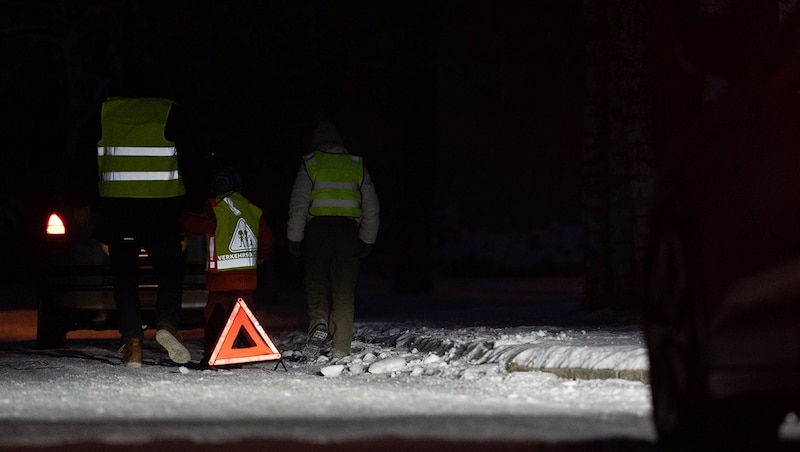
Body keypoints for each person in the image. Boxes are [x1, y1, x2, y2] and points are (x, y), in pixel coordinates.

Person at [71, 76, 197, 368]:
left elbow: (83, 158)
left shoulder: (105, 113)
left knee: (125, 277)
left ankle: (133, 345)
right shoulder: (170, 111)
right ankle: (166, 323)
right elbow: (192, 160)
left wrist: (80, 198)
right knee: (170, 268)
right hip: (162, 211)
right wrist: (194, 204)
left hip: (119, 212)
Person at [287, 120, 380, 360]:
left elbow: (299, 203)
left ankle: (319, 321)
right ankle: (341, 348)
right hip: (348, 232)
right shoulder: (356, 165)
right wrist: (367, 240)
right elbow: (371, 207)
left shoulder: (311, 163)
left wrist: (294, 238)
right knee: (344, 291)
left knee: (316, 281)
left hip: (317, 230)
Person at [180, 165, 274, 365]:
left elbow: (200, 226)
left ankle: (213, 353)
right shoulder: (252, 209)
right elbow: (266, 239)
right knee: (243, 316)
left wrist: (181, 216)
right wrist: (261, 257)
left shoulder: (215, 207)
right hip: (246, 277)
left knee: (215, 315)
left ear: (214, 188)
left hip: (220, 278)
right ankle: (246, 351)